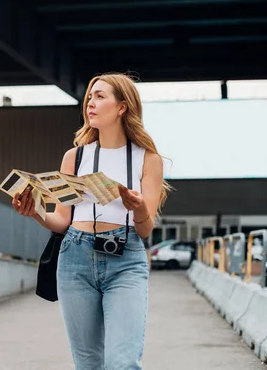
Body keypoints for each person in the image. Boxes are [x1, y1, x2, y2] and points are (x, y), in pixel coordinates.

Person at [12, 73, 170, 370]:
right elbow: (62, 220)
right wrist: (34, 211)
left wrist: (135, 207)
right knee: (88, 365)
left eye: (99, 96)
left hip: (126, 259)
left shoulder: (147, 158)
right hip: (75, 258)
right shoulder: (75, 156)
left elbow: (146, 229)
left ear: (122, 107)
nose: (90, 104)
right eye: (89, 98)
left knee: (123, 363)